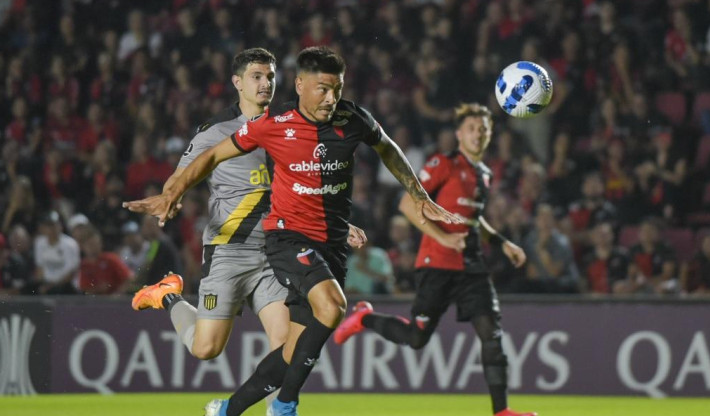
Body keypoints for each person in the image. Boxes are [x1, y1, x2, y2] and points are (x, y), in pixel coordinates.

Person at [124, 46, 459, 416]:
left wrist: (339, 223)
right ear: (237, 83)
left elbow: (300, 186)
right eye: (256, 76)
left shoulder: (296, 121)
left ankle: (273, 409)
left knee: (288, 343)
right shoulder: (218, 131)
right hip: (230, 249)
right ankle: (169, 297)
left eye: (269, 75)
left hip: (276, 247)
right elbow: (195, 166)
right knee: (206, 348)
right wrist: (170, 195)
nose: (266, 82)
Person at [333, 103, 535, 416]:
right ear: (459, 134)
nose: (478, 135)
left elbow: (473, 220)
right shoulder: (444, 163)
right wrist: (443, 238)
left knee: (492, 336)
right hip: (437, 263)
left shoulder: (484, 174)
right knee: (416, 338)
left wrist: (502, 241)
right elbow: (406, 204)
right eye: (472, 129)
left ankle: (502, 411)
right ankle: (364, 318)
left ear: (489, 134)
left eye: (484, 130)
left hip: (472, 267)